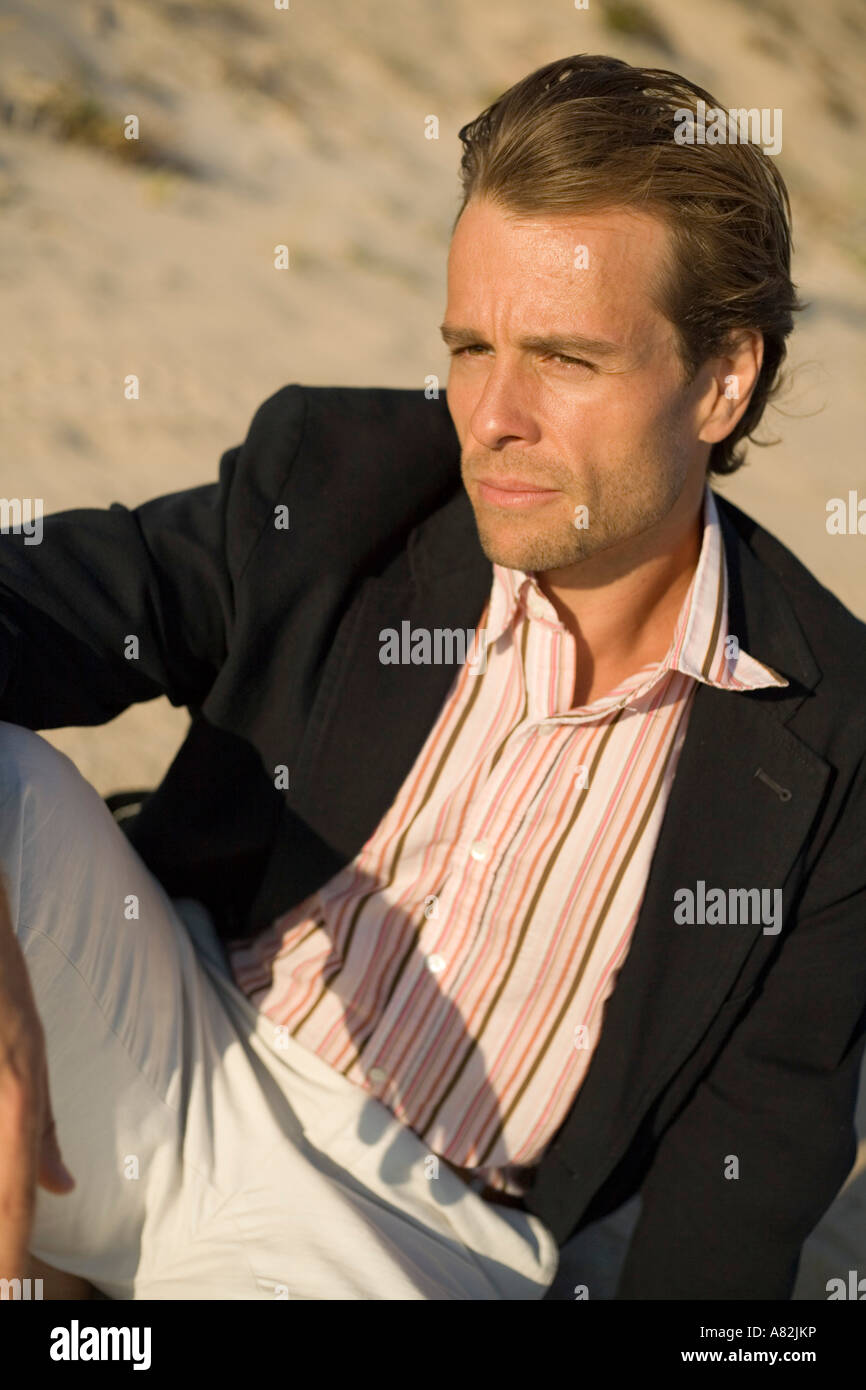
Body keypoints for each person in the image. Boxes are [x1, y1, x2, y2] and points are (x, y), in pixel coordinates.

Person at [1, 53, 864, 1301]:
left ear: (721, 378)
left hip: (404, 1235)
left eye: (565, 359)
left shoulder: (831, 736)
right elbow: (36, 598)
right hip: (161, 1028)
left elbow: (749, 1173)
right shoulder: (347, 482)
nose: (491, 416)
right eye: (470, 345)